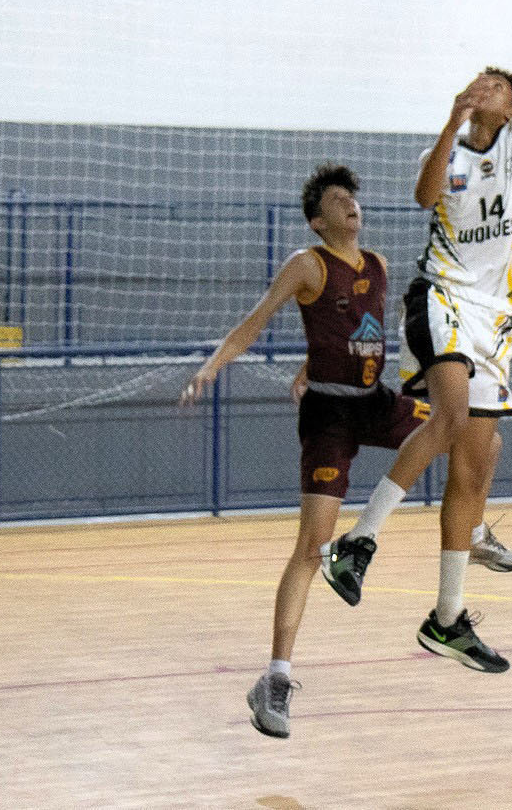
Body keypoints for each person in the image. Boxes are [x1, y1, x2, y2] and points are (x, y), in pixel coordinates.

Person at [321, 0, 512, 673]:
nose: (485, 85)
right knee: (453, 417)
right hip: (441, 298)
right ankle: (358, 542)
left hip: (497, 321)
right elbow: (423, 192)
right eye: (479, 82)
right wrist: (450, 118)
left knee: (476, 461)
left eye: (497, 84)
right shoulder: (456, 153)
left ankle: (448, 616)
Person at [181, 164, 442, 738]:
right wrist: (211, 367)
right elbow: (255, 322)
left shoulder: (378, 265)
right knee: (309, 548)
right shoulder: (307, 264)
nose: (351, 204)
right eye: (338, 199)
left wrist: (308, 361)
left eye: (354, 196)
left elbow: (351, 330)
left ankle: (394, 537)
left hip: (375, 401)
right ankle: (275, 677)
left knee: (458, 423)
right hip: (328, 415)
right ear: (317, 220)